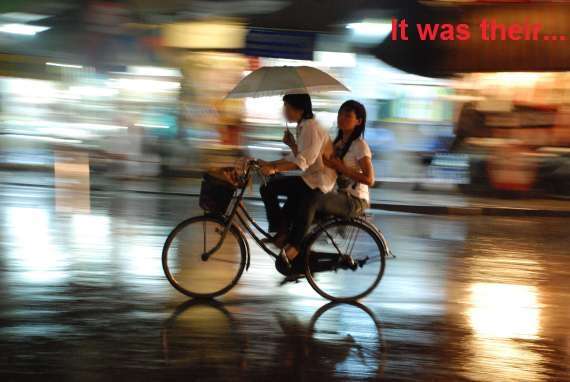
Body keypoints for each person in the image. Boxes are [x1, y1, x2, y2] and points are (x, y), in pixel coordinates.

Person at [258, 94, 336, 268]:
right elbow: (298, 155)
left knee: (268, 187)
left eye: (287, 107)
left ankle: (284, 235)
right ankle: (282, 232)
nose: (284, 111)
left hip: (319, 180)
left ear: (299, 109)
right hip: (311, 176)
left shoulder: (311, 127)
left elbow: (302, 162)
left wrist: (275, 169)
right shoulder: (303, 126)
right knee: (273, 191)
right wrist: (270, 163)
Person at [317, 100, 374, 224]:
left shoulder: (360, 145)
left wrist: (342, 168)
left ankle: (294, 242)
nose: (341, 118)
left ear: (358, 121)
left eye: (347, 115)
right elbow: (328, 164)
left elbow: (369, 179)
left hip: (355, 201)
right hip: (340, 194)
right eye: (340, 114)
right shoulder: (338, 143)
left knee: (313, 200)